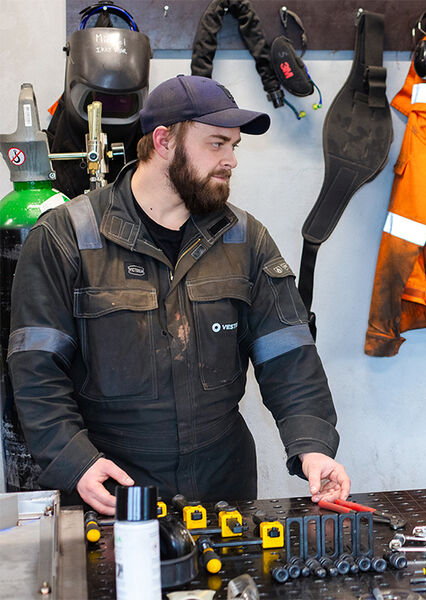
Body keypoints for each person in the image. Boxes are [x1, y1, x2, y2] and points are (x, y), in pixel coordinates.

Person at [7, 75, 350, 514]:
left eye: (234, 146)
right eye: (216, 144)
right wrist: (76, 463)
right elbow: (36, 370)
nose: (231, 160)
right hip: (115, 486)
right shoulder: (66, 238)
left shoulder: (244, 239)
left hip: (223, 485)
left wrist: (312, 446)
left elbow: (289, 355)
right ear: (164, 141)